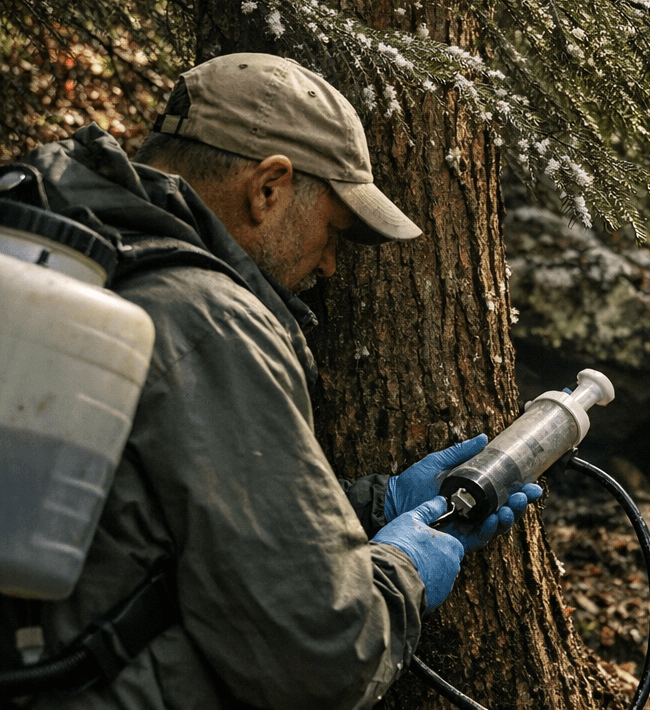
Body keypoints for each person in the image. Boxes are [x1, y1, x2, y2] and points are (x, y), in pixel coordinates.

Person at [0, 53, 541, 709]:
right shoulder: (209, 320)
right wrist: (404, 574)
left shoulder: (60, 255)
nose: (333, 264)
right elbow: (322, 656)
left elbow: (141, 518)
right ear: (268, 188)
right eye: (334, 230)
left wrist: (380, 505)